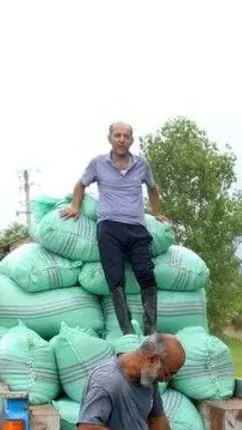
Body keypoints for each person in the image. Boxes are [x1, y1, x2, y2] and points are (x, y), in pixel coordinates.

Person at [60, 121, 169, 337]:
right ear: (110, 138)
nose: (121, 140)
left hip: (136, 228)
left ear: (131, 140)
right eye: (117, 135)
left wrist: (156, 214)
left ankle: (150, 330)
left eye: (125, 136)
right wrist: (75, 206)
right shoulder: (98, 163)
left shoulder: (141, 165)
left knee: (146, 273)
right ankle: (127, 329)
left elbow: (153, 189)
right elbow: (81, 185)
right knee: (115, 277)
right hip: (109, 227)